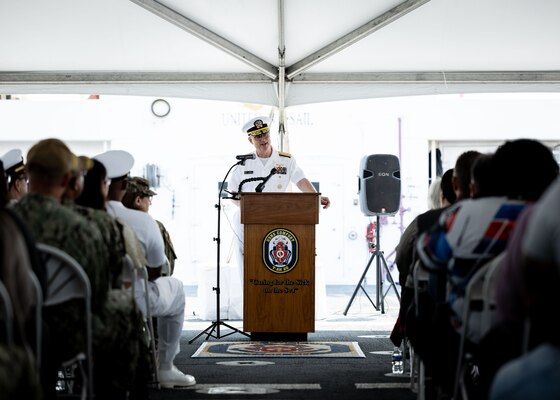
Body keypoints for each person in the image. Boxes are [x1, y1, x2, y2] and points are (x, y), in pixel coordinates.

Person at [10, 138, 108, 399]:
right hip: (68, 334)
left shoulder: (6, 223)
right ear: (66, 181)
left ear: (28, 175)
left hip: (12, 327)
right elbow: (97, 296)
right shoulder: (82, 228)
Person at [94, 150, 196, 389]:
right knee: (176, 287)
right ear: (123, 184)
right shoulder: (143, 221)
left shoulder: (77, 218)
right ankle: (166, 367)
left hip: (83, 300)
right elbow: (156, 270)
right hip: (132, 300)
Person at [228, 116, 330, 312]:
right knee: (248, 264)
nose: (263, 139)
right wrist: (250, 208)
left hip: (280, 221)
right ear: (251, 140)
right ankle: (252, 305)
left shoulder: (285, 160)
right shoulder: (242, 164)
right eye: (258, 136)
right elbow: (233, 195)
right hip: (247, 222)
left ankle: (281, 305)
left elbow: (301, 181)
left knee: (277, 263)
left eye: (265, 134)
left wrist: (317, 197)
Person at [122, 176, 177, 276]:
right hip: (147, 285)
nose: (150, 203)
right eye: (149, 198)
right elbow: (168, 267)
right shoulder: (155, 227)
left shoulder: (113, 221)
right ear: (138, 201)